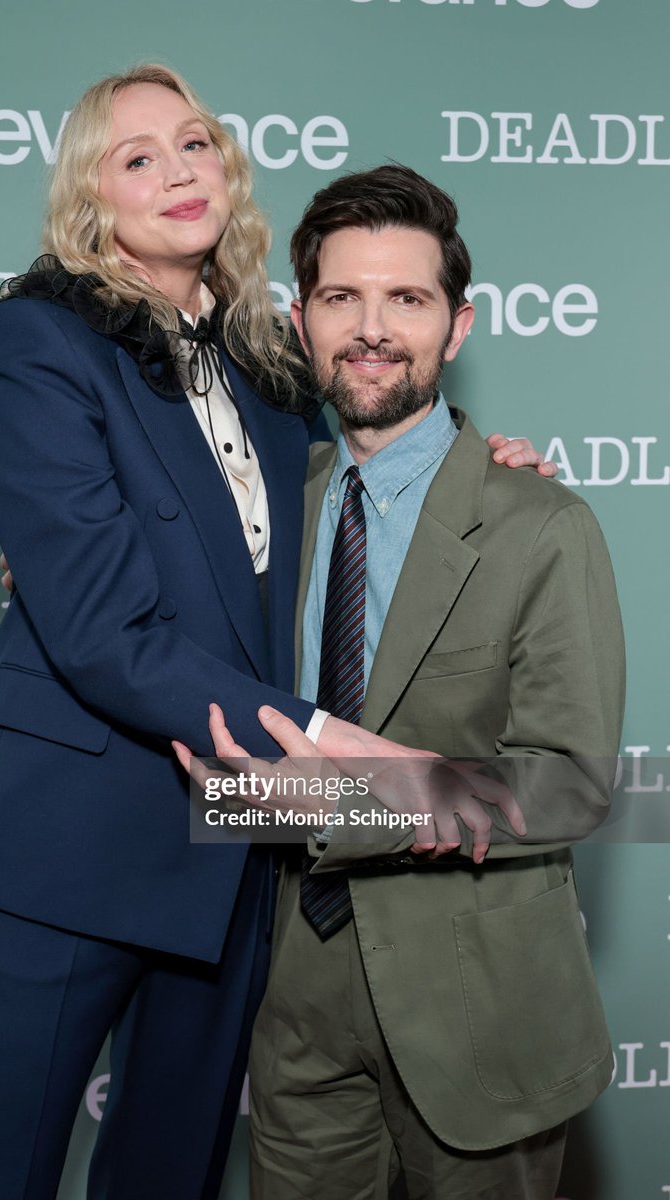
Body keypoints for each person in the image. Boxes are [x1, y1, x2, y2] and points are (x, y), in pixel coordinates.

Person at [0, 63, 551, 1200]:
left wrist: (480, 471)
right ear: (92, 196)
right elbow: (101, 629)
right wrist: (347, 749)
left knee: (171, 1176)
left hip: (230, 844)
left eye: (194, 143)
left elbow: (364, 468)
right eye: (137, 157)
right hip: (63, 846)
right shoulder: (39, 338)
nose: (177, 171)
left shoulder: (268, 363)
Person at [176, 165, 625, 1200]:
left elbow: (570, 786)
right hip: (293, 1001)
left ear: (456, 327)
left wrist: (330, 804)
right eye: (342, 297)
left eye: (407, 299)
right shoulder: (268, 511)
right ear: (300, 322)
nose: (371, 329)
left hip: (480, 1007)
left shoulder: (541, 525)